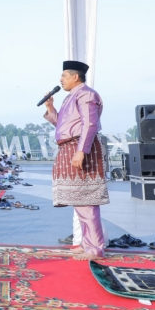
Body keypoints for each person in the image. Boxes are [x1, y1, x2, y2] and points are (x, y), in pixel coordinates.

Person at [44, 60, 109, 261]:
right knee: (79, 201)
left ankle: (96, 249)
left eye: (63, 76)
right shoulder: (70, 97)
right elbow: (63, 125)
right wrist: (50, 108)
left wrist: (81, 151)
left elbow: (89, 124)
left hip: (80, 147)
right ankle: (87, 243)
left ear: (75, 77)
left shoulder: (86, 94)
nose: (60, 80)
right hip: (69, 146)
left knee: (87, 200)